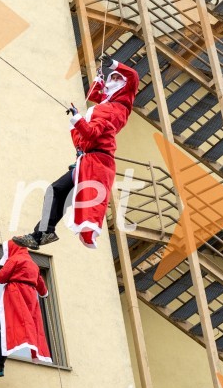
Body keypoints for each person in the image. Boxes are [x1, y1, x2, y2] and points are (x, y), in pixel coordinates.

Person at [13, 55, 139, 250]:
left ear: (124, 85)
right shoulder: (106, 106)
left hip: (95, 163)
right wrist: (98, 80)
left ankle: (42, 233)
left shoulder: (116, 109)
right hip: (88, 160)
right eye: (111, 77)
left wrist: (113, 65)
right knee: (56, 192)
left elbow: (92, 132)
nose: (112, 80)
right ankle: (42, 234)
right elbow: (95, 97)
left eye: (117, 78)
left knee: (58, 192)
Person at [0, 240, 51, 377]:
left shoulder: (14, 259)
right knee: (8, 330)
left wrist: (4, 266)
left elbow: (0, 278)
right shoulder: (34, 265)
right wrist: (45, 294)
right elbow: (42, 289)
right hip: (29, 300)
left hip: (13, 296)